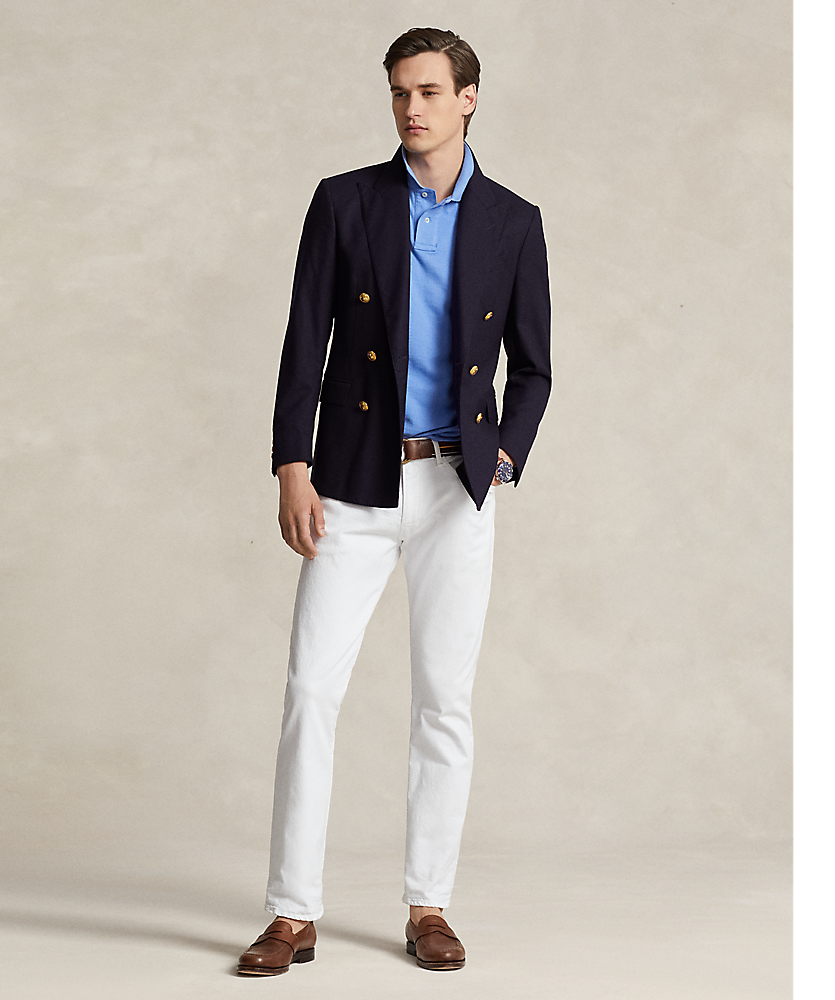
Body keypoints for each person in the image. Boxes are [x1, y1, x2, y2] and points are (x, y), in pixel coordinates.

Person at [237, 26, 551, 976]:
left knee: (444, 700)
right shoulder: (345, 201)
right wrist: (292, 464)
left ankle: (428, 905)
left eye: (428, 92)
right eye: (399, 93)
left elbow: (533, 367)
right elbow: (305, 339)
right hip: (352, 478)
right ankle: (292, 913)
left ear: (468, 99)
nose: (411, 108)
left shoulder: (514, 220)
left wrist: (504, 454)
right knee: (311, 691)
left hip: (458, 489)